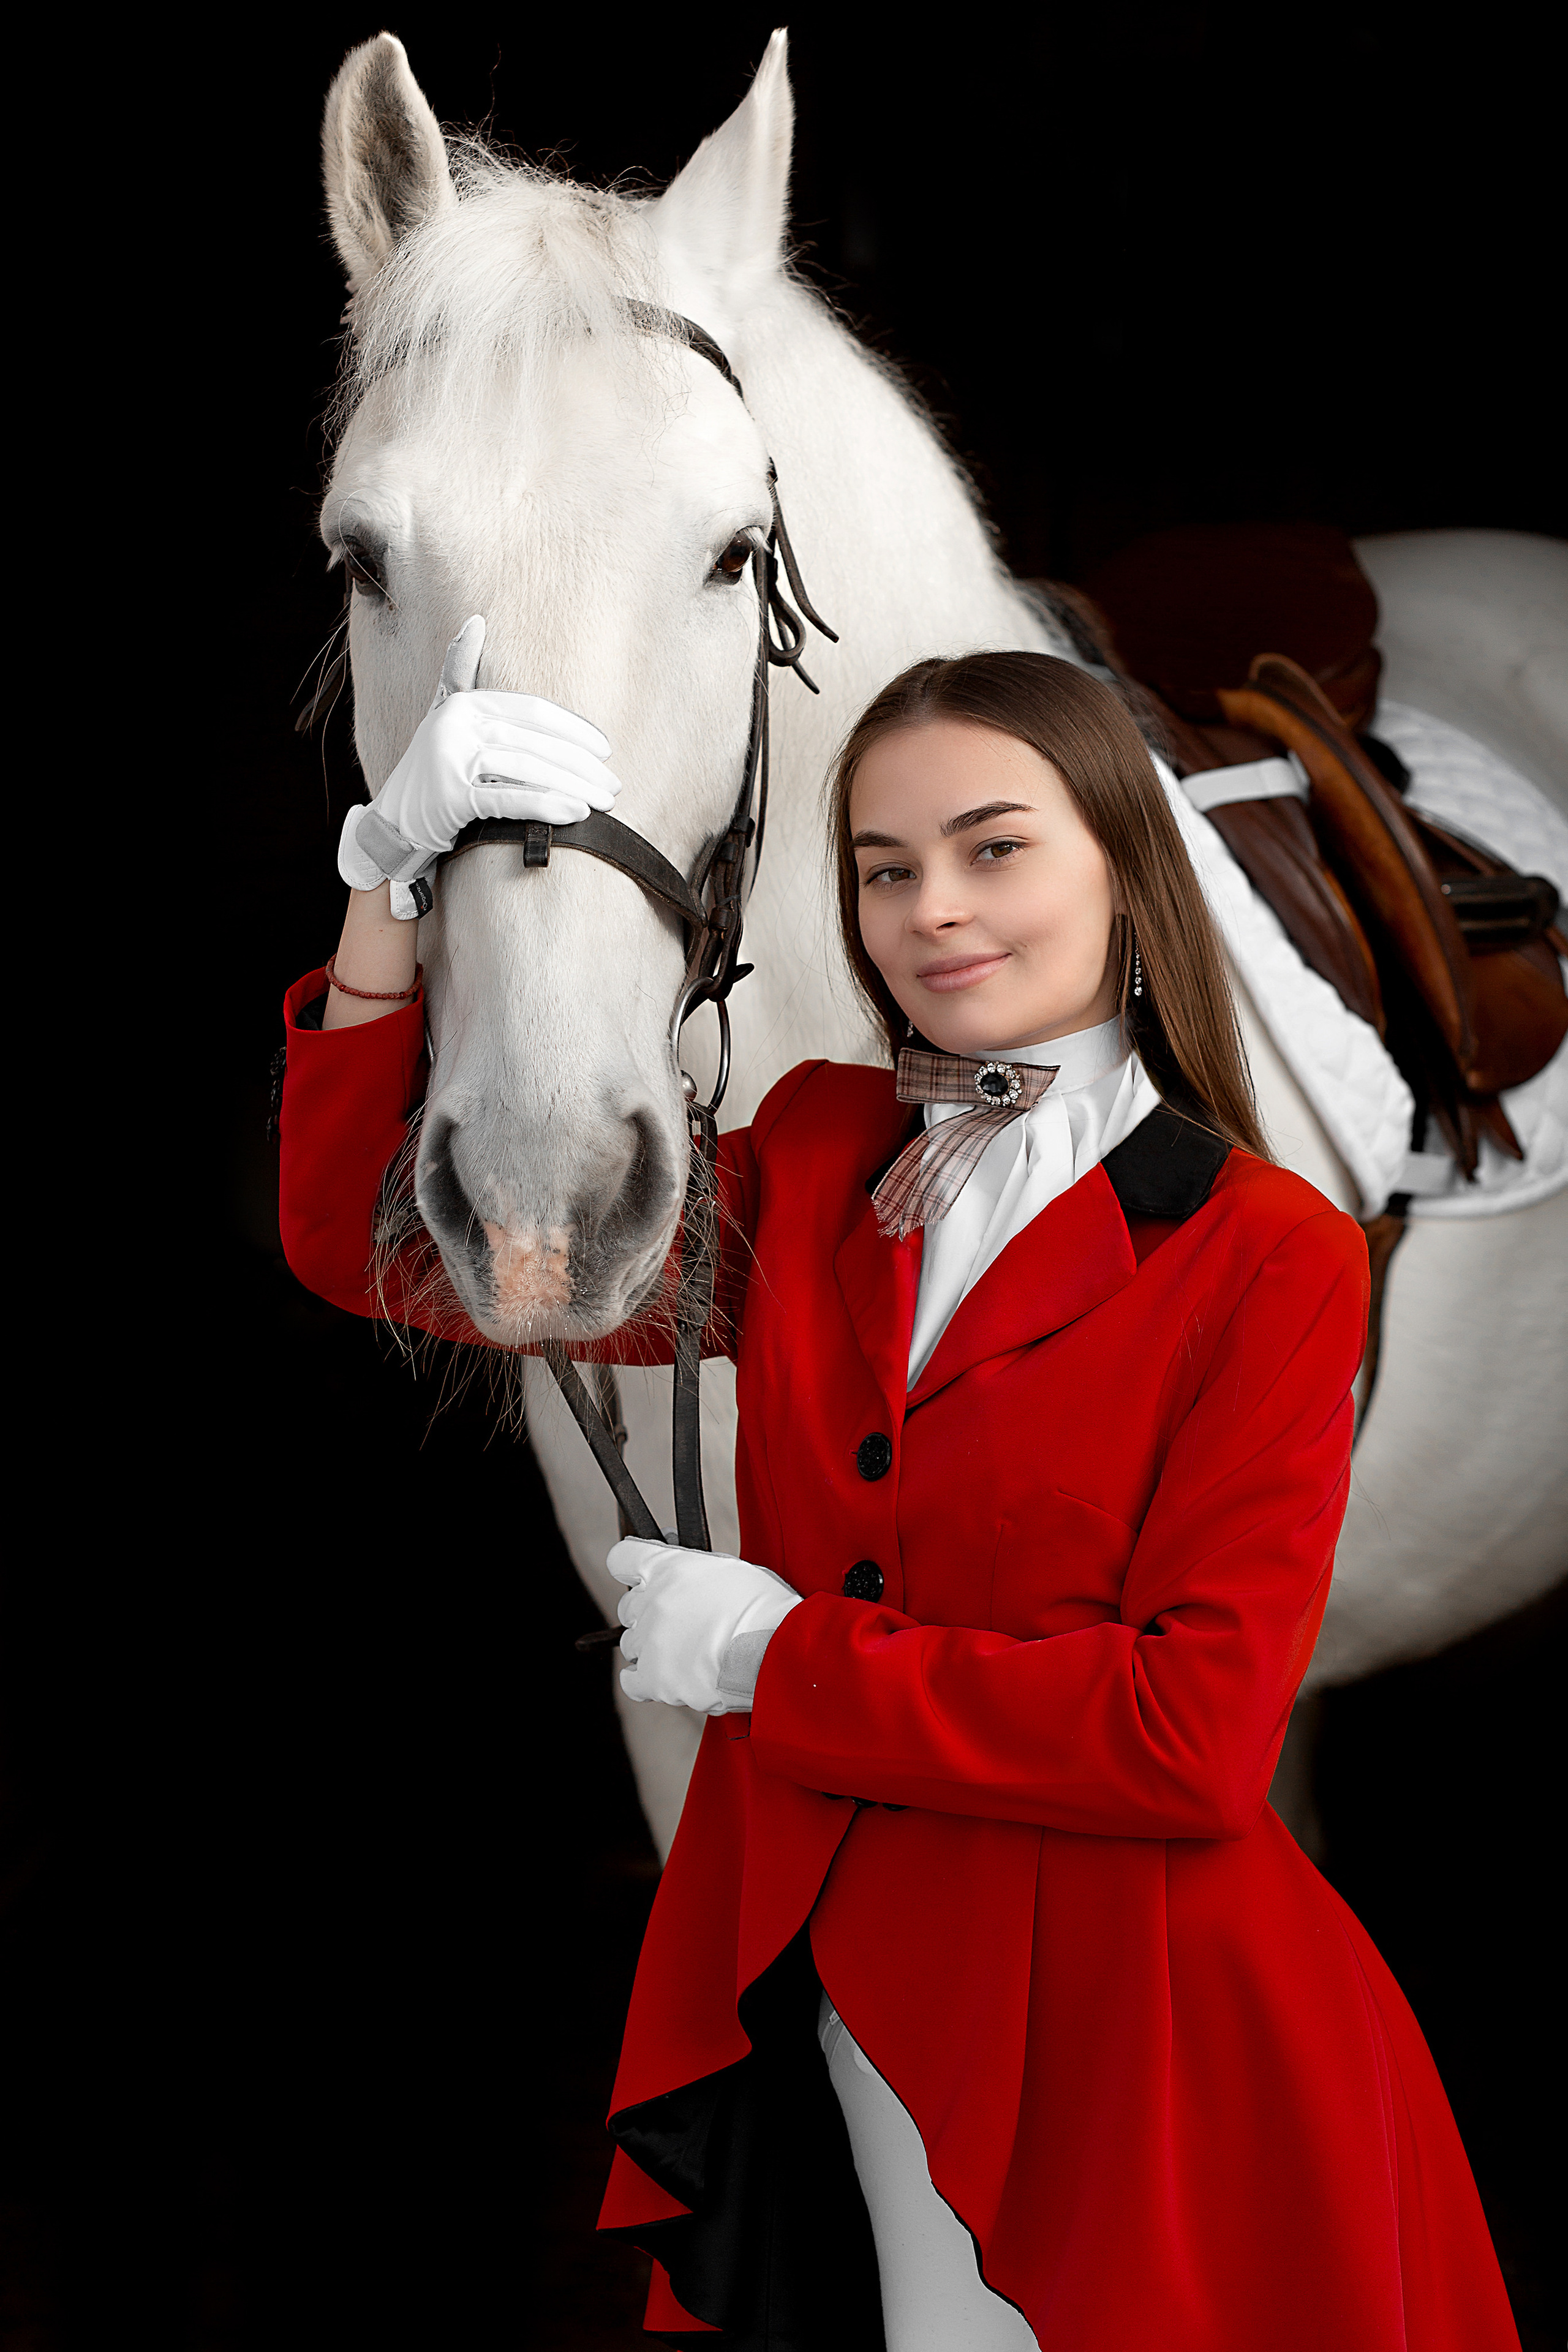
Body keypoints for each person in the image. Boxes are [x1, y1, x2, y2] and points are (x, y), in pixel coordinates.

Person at [277, 647, 1518, 2351]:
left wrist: (775, 1665)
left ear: (1121, 870)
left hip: (1129, 2020)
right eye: (884, 866)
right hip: (803, 1957)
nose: (933, 907)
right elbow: (414, 1251)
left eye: (994, 848)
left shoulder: (1267, 1255)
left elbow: (1194, 1732)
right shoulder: (815, 1152)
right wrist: (383, 889)